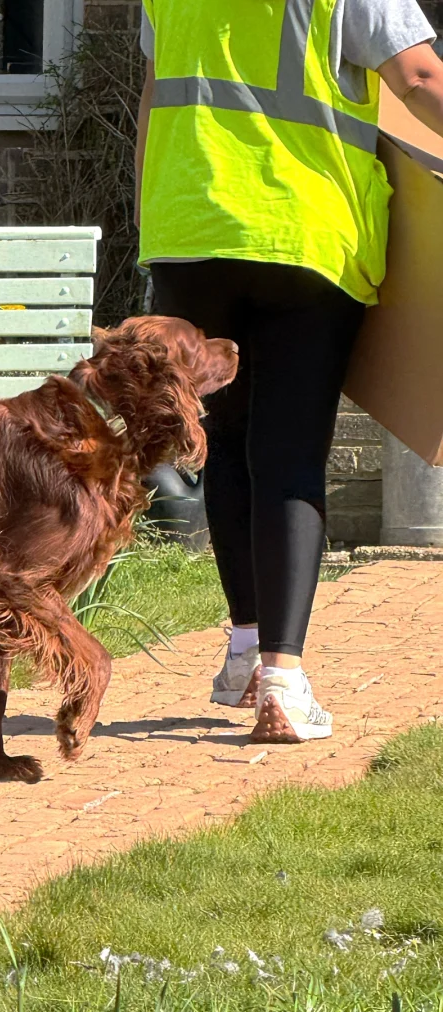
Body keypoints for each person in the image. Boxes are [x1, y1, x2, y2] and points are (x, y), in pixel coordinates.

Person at [136, 0, 443, 741]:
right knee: (291, 459)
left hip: (189, 230)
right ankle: (283, 676)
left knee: (229, 449)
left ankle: (244, 651)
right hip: (304, 235)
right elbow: (421, 75)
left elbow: (153, 99)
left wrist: (154, 218)